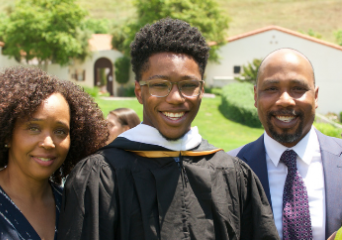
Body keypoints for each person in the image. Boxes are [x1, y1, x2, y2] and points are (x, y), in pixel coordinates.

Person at [58, 18, 279, 240]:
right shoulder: (99, 175)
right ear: (138, 91)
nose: (175, 98)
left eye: (188, 85)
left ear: (201, 90)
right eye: (159, 85)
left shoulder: (234, 175)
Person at [0, 67, 108, 240]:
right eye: (34, 128)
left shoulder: (72, 206)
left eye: (60, 131)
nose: (49, 143)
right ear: (6, 133)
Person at [228, 48, 342, 240]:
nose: (285, 100)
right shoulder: (227, 170)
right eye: (272, 89)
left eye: (298, 88)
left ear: (316, 96)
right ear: (256, 96)